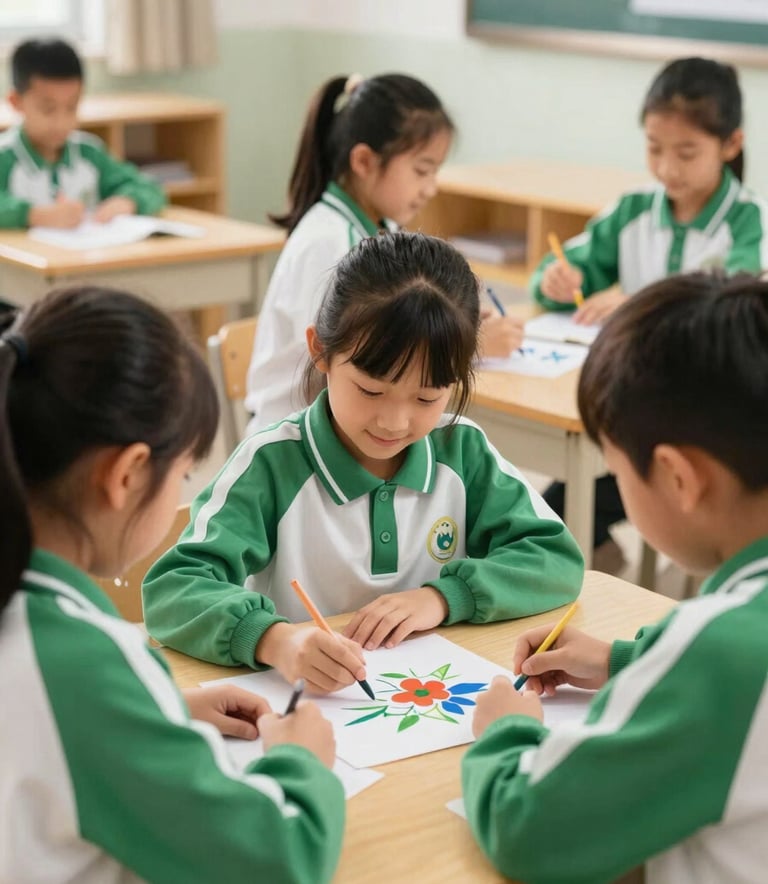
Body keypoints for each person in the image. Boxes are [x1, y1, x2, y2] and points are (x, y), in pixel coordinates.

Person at [0, 286, 343, 882]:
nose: (185, 492)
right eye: (185, 474)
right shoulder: (79, 661)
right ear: (129, 474)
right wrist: (300, 762)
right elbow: (279, 858)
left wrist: (160, 714)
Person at [144, 232, 583, 695]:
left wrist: (444, 597)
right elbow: (172, 589)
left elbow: (555, 559)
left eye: (426, 397)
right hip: (305, 709)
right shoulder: (271, 464)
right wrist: (275, 641)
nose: (394, 421)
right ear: (320, 351)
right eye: (371, 390)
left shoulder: (460, 449)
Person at [462, 272, 768, 884]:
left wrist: (506, 733)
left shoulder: (724, 649)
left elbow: (530, 829)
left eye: (617, 470)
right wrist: (629, 662)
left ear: (678, 479)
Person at [530, 56, 768, 571]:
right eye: (655, 149)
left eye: (686, 152)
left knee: (575, 504)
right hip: (632, 402)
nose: (667, 168)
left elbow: (724, 301)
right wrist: (555, 278)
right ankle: (598, 556)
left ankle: (601, 559)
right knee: (558, 509)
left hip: (700, 418)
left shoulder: (749, 220)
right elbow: (567, 266)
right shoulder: (635, 210)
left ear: (731, 144)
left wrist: (635, 306)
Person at [244, 72, 523, 432]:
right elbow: (352, 360)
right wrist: (471, 349)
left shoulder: (383, 231)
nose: (431, 188)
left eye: (435, 172)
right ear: (363, 162)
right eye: (422, 171)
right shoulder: (326, 243)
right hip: (296, 441)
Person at [0, 38, 166, 229]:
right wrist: (33, 215)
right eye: (48, 109)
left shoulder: (90, 153)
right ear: (16, 102)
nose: (61, 122)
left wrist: (128, 202)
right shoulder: (5, 156)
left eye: (71, 107)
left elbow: (149, 188)